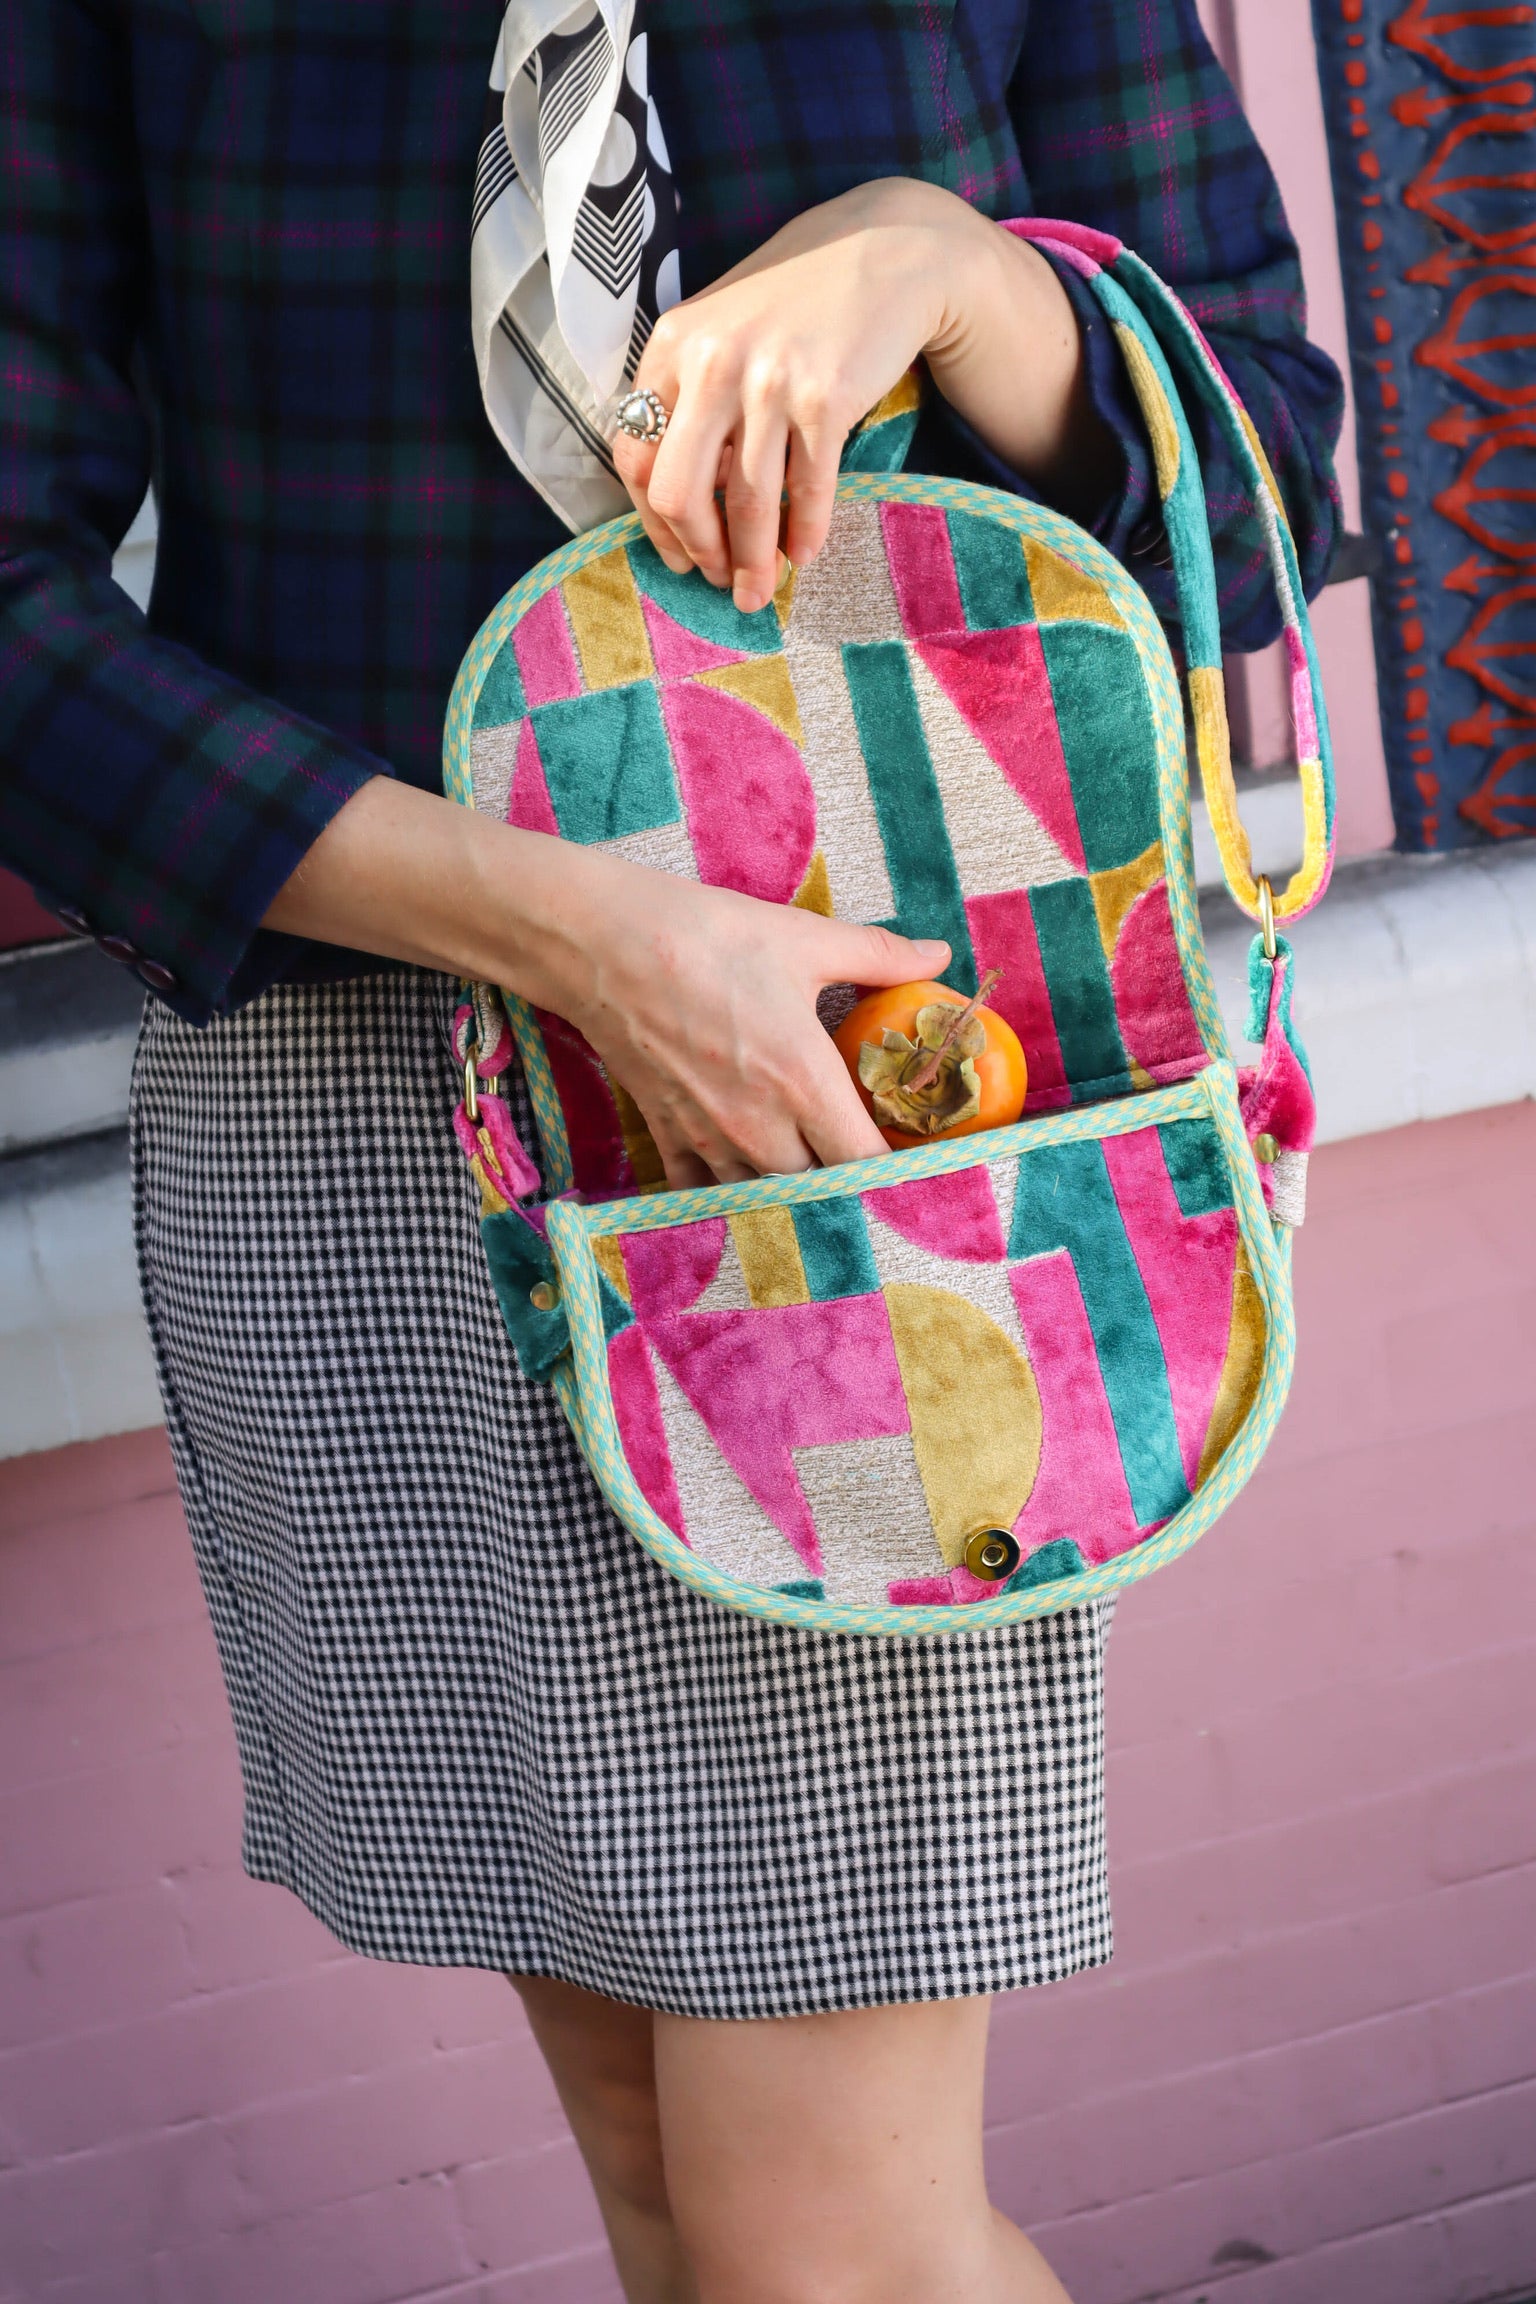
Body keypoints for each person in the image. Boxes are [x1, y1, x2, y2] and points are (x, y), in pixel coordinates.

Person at [1, 3, 1343, 2297]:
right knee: (659, 2174)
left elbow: (1258, 460)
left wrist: (950, 266)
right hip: (354, 1072)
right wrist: (581, 938)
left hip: (855, 1122)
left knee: (822, 2245)